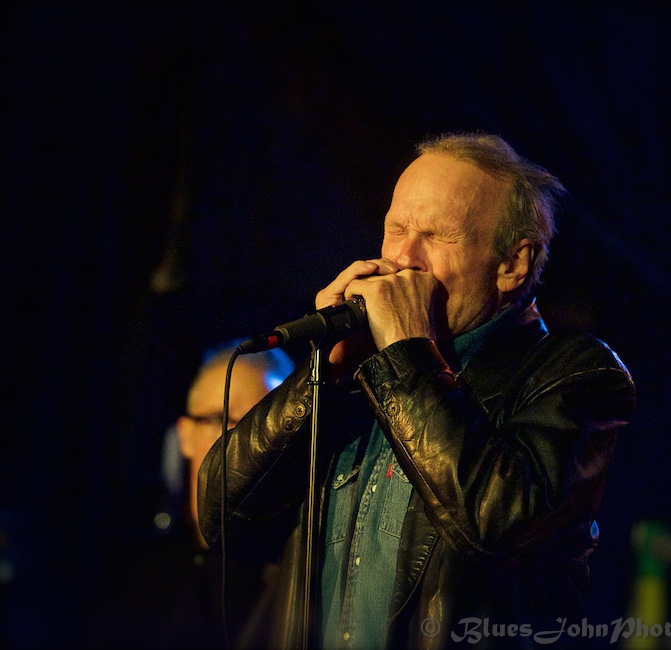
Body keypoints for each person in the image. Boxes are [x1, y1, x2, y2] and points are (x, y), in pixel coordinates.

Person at [198, 132, 637, 649]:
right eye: (397, 228)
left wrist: (407, 352)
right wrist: (324, 377)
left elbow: (497, 526)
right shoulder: (356, 376)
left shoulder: (576, 374)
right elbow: (221, 520)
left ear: (513, 264)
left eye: (436, 235)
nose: (404, 257)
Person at [90, 340, 295, 649]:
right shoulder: (136, 571)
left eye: (262, 428)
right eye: (220, 420)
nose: (241, 443)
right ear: (185, 434)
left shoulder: (298, 575)